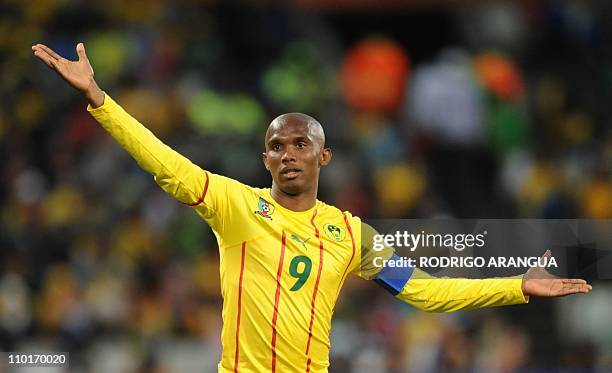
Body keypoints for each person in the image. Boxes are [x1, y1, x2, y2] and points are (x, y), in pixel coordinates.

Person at [32, 43, 592, 373]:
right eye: (277, 145)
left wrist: (515, 286)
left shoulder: (353, 235)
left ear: (324, 155)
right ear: (266, 159)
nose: (289, 153)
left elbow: (426, 291)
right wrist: (100, 102)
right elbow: (166, 164)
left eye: (301, 144)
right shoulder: (236, 206)